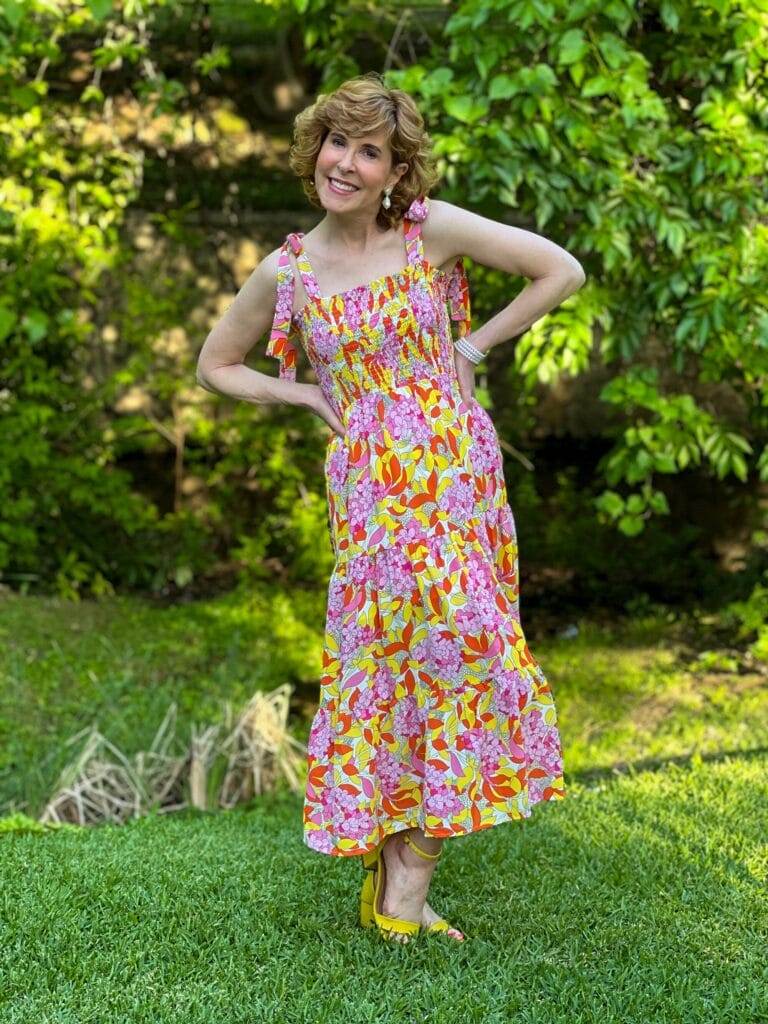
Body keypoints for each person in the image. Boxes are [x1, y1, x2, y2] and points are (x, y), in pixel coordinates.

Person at [197, 71, 584, 945]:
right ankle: (397, 875)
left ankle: (406, 868)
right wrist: (296, 397)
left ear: (395, 170)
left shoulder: (428, 234)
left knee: (472, 650)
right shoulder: (286, 271)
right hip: (371, 492)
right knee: (392, 667)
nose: (347, 163)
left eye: (370, 151)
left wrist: (474, 347)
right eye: (337, 142)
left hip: (457, 476)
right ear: (315, 150)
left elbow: (561, 270)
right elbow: (215, 364)